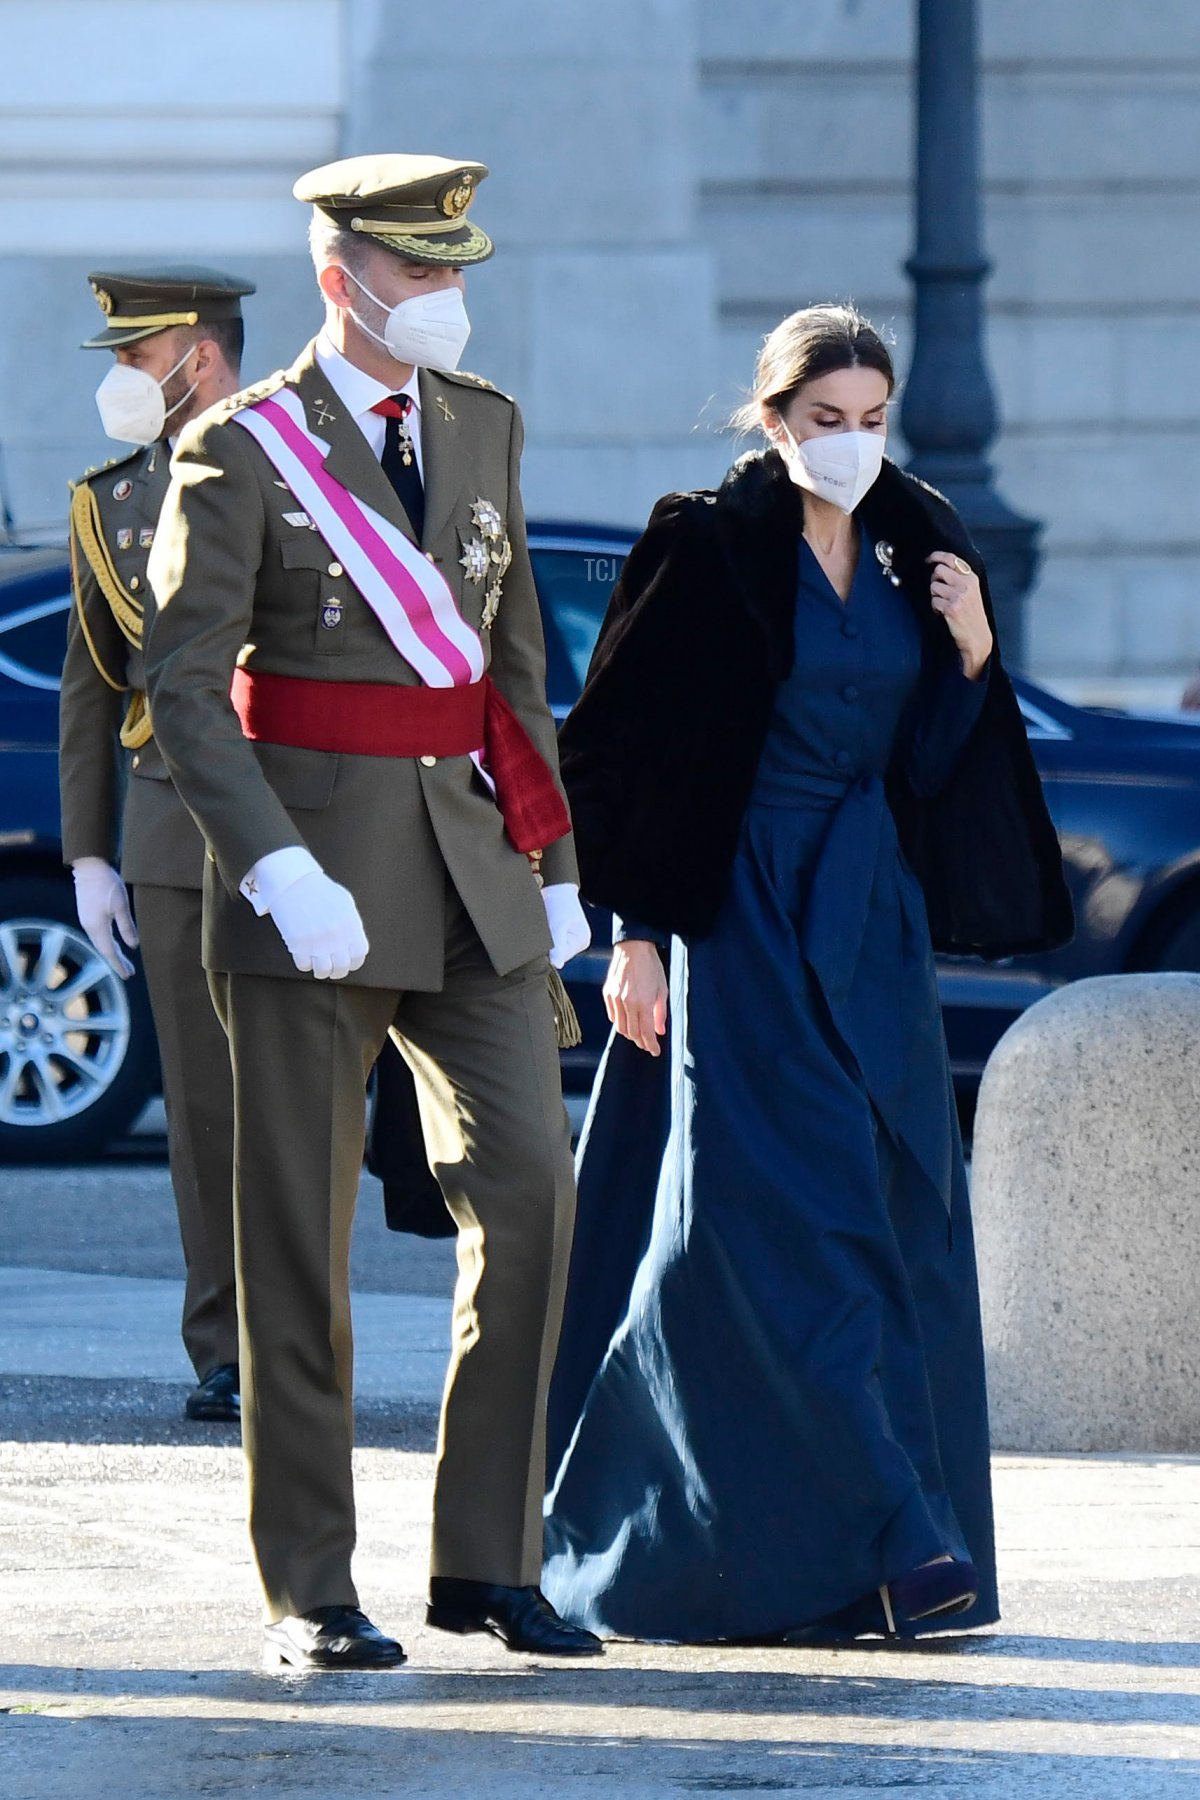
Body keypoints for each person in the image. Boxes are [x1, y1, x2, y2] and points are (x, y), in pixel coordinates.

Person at [542, 304, 1073, 1645]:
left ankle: (804, 1553)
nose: (850, 444)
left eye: (870, 420)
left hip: (871, 923)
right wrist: (637, 936)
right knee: (789, 1219)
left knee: (891, 1216)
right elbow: (614, 749)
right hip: (742, 920)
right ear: (773, 419)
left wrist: (970, 655)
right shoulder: (704, 545)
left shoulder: (917, 549)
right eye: (824, 420)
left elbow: (930, 767)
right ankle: (903, 1533)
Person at [144, 153, 601, 1671]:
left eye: (461, 271)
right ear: (345, 281)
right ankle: (310, 1589)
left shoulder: (485, 426)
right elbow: (184, 690)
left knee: (533, 1199)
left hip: (474, 873)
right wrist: (273, 868)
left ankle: (486, 1562)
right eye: (425, 275)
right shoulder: (241, 445)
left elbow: (509, 662)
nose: (452, 300)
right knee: (298, 1242)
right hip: (312, 887)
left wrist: (555, 863)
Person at [60, 266, 255, 1423]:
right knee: (208, 1107)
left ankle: (302, 1328)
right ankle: (226, 1346)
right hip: (175, 826)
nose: (122, 383)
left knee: (314, 1099)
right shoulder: (111, 500)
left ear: (199, 354)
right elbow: (94, 685)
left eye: (136, 360)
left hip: (314, 821)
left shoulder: (305, 468)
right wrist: (91, 853)